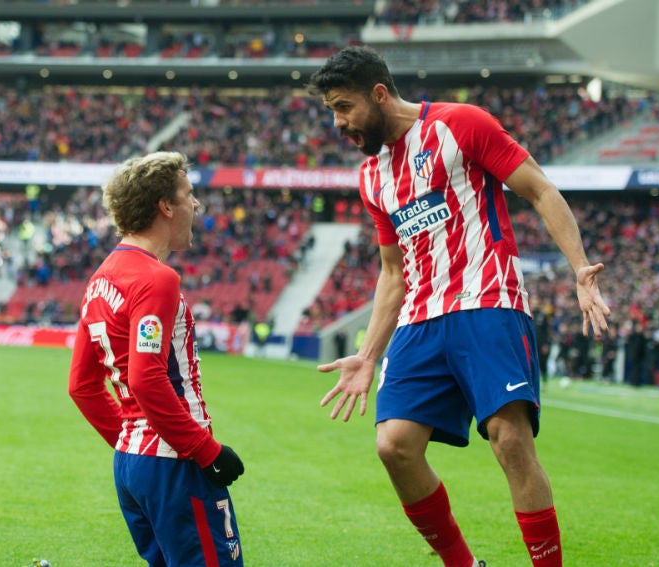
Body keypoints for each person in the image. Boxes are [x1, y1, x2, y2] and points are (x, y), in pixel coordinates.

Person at [308, 46, 611, 567]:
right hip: (420, 318)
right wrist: (370, 353)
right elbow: (392, 272)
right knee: (393, 446)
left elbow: (538, 189)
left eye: (344, 107)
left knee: (509, 437)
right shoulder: (372, 176)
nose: (339, 123)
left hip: (487, 298)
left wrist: (580, 270)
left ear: (379, 94)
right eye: (332, 111)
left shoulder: (460, 124)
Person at [68, 151, 245, 567]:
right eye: (189, 194)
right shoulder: (157, 279)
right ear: (165, 206)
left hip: (132, 464)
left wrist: (134, 446)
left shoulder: (101, 278)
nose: (196, 205)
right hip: (175, 463)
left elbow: (83, 386)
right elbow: (147, 379)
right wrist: (206, 451)